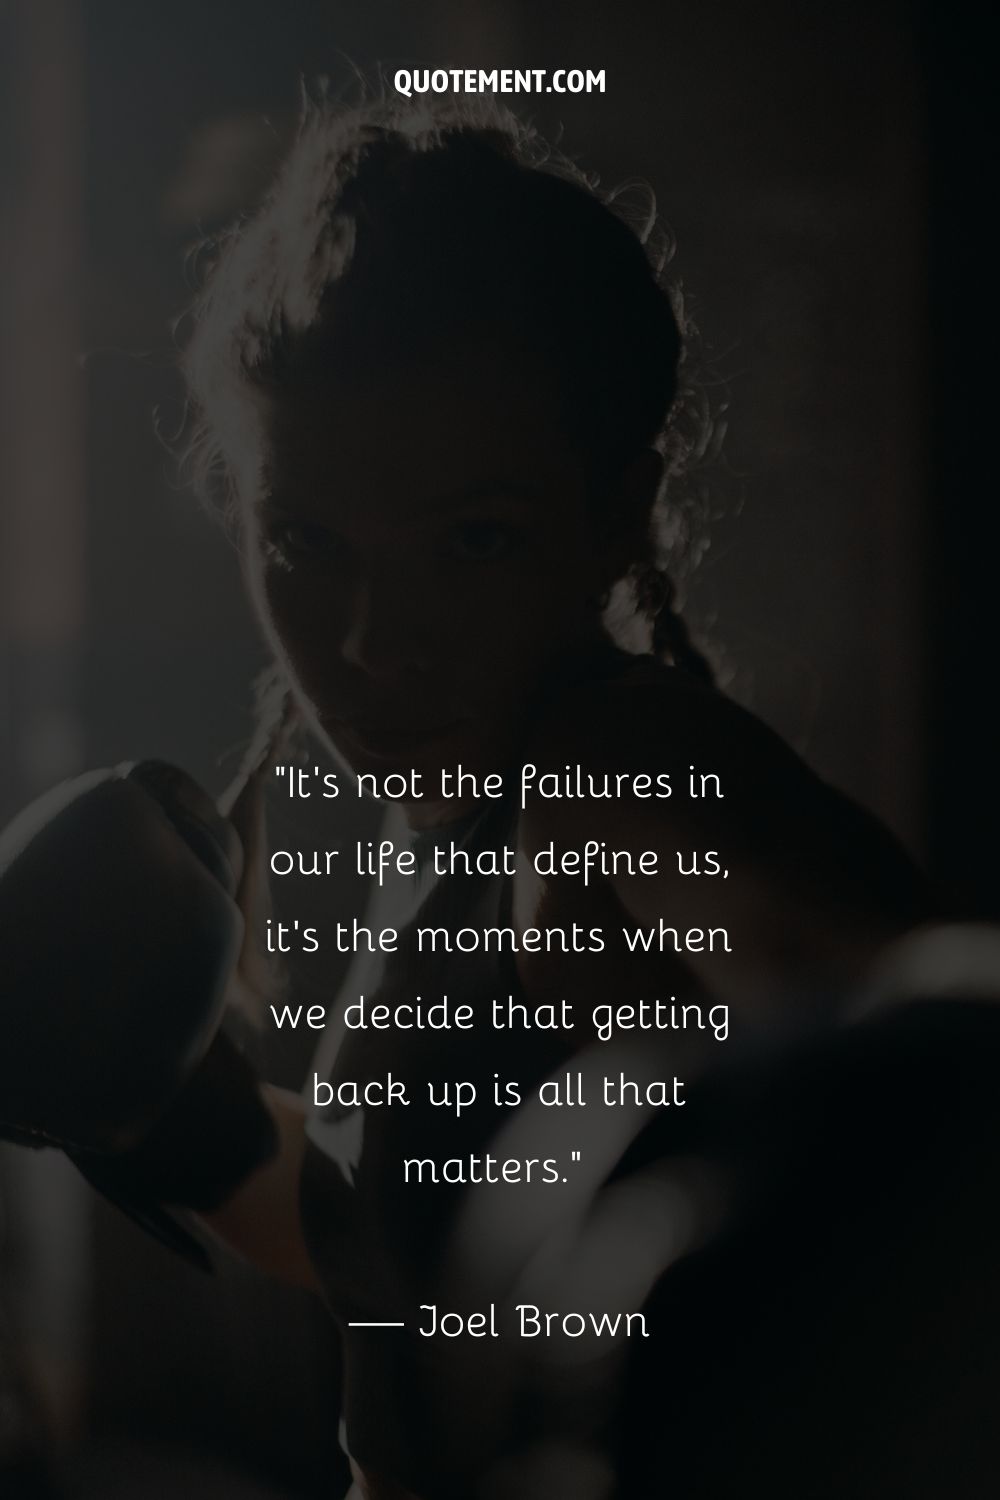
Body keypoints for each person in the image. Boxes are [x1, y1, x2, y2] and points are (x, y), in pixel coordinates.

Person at [171, 96, 931, 1498]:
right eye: (308, 543)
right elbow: (394, 1237)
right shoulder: (457, 811)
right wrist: (159, 1114)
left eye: (476, 539)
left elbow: (910, 1031)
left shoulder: (612, 775)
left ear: (617, 509)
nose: (371, 641)